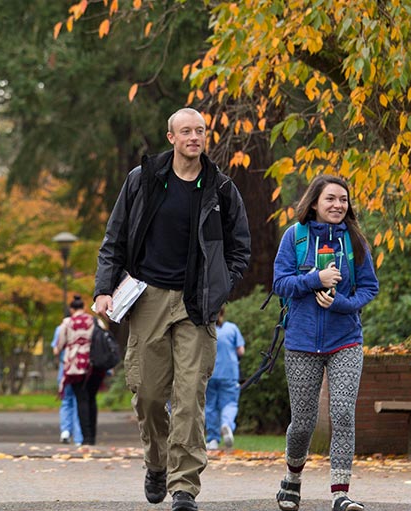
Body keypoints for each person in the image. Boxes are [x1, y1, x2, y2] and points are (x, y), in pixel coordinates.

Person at [94, 107, 251, 511]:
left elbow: (240, 248)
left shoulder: (220, 188)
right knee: (147, 395)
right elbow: (114, 239)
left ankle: (184, 487)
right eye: (186, 131)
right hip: (147, 298)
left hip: (196, 302)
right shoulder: (143, 180)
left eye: (199, 130)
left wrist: (221, 287)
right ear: (171, 137)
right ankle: (157, 462)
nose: (194, 137)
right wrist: (103, 289)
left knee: (188, 398)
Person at [271, 174, 379, 511]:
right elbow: (280, 283)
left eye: (343, 200)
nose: (337, 205)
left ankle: (340, 493)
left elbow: (369, 288)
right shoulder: (295, 237)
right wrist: (314, 279)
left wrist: (342, 304)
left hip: (345, 340)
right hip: (302, 341)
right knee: (302, 421)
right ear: (314, 202)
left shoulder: (355, 241)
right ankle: (292, 479)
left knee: (343, 413)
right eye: (331, 198)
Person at [54, 295, 108, 446]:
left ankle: (85, 437)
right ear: (84, 308)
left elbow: (59, 346)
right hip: (94, 365)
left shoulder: (67, 323)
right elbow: (105, 337)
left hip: (75, 366)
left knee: (81, 399)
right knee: (92, 399)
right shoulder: (95, 321)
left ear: (71, 309)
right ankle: (93, 437)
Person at [205, 304, 244, 451]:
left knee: (210, 406)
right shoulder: (232, 329)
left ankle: (213, 439)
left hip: (210, 373)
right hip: (229, 373)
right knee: (230, 403)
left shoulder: (207, 329)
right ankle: (226, 424)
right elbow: (241, 351)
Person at [51, 315, 83, 445]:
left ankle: (65, 431)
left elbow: (56, 350)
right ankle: (78, 437)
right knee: (78, 401)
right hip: (80, 369)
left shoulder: (61, 328)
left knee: (66, 401)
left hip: (65, 370)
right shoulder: (85, 328)